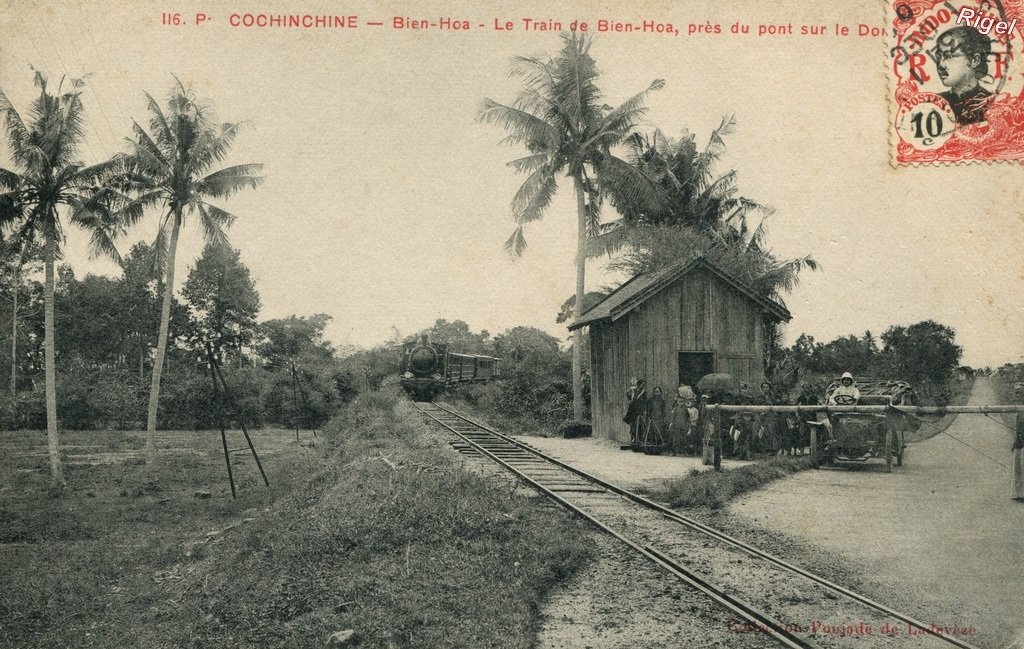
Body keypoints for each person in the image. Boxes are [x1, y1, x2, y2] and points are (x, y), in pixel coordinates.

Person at [933, 25, 993, 124]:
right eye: (939, 57)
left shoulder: (992, 104)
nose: (941, 65)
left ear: (974, 60)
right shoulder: (934, 104)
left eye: (949, 56)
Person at [669, 384, 697, 455]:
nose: (681, 403)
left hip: (684, 425)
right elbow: (673, 417)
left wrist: (689, 425)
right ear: (677, 402)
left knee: (684, 439)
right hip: (677, 425)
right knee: (676, 439)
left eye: (682, 402)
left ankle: (685, 451)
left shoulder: (685, 409)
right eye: (679, 402)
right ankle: (674, 452)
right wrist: (672, 423)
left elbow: (688, 418)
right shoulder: (675, 409)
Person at [623, 378, 648, 450]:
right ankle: (634, 438)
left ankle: (639, 439)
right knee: (633, 424)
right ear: (639, 384)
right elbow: (630, 397)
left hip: (640, 410)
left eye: (644, 385)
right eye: (642, 384)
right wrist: (631, 392)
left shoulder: (643, 392)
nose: (643, 386)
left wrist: (644, 409)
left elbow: (645, 401)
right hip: (633, 410)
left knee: (640, 424)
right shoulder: (633, 391)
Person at [1013, 383, 1024, 501]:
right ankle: (1019, 493)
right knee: (1018, 465)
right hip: (1019, 441)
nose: (1018, 394)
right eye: (1016, 392)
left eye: (1020, 392)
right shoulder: (1019, 407)